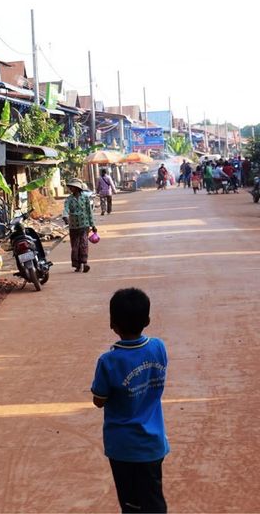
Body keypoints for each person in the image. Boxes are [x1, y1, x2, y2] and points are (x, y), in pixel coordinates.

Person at [91, 288, 169, 514]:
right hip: (153, 443)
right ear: (147, 320)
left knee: (131, 503)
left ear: (112, 324)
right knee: (153, 498)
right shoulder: (158, 348)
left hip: (123, 446)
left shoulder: (109, 360)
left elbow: (99, 400)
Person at [64, 179, 97, 273]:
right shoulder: (69, 199)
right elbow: (66, 209)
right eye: (70, 187)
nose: (70, 188)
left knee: (83, 244)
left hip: (84, 224)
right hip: (73, 226)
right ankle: (77, 265)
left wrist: (93, 225)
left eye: (72, 187)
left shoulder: (85, 198)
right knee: (75, 247)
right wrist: (65, 216)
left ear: (78, 188)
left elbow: (89, 212)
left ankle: (84, 263)